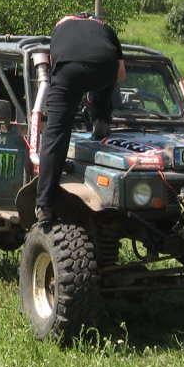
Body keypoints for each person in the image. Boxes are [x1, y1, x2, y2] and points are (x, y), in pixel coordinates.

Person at [35, 13, 126, 222]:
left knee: (55, 133)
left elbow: (53, 65)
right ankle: (100, 121)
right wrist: (97, 90)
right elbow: (120, 74)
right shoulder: (105, 29)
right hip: (105, 66)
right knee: (106, 82)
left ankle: (44, 205)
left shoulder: (59, 30)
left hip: (67, 70)